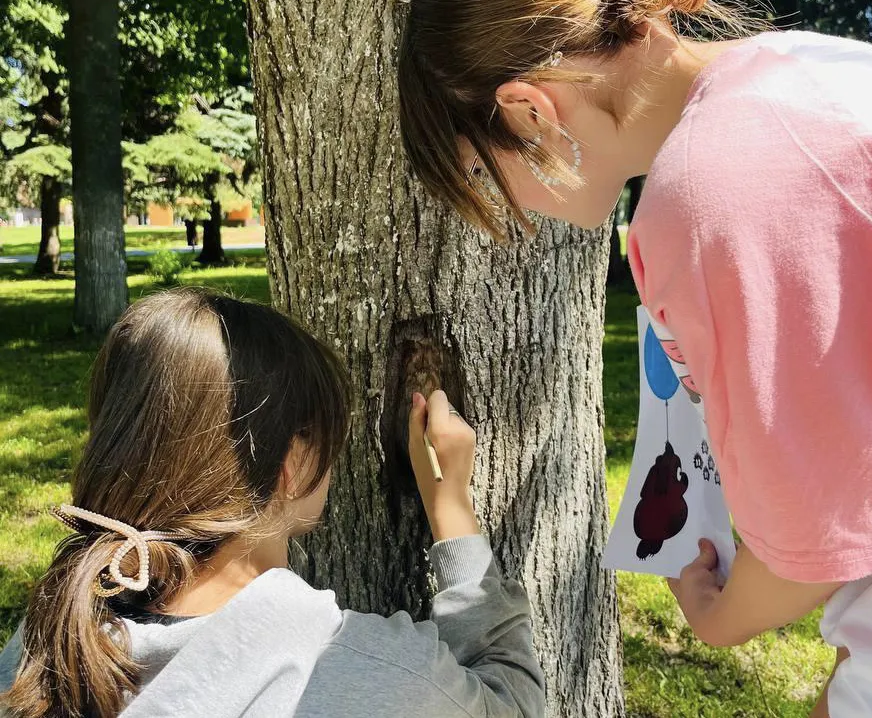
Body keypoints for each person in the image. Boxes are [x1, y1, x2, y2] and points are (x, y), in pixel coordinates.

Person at [396, 0, 872, 716]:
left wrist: (721, 614)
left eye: (477, 173)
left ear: (528, 110)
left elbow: (818, 539)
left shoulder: (712, 189)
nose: (511, 209)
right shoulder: (816, 70)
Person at [0, 289, 545, 718]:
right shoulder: (358, 670)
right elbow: (513, 702)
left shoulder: (43, 652)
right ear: (295, 464)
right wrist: (452, 509)